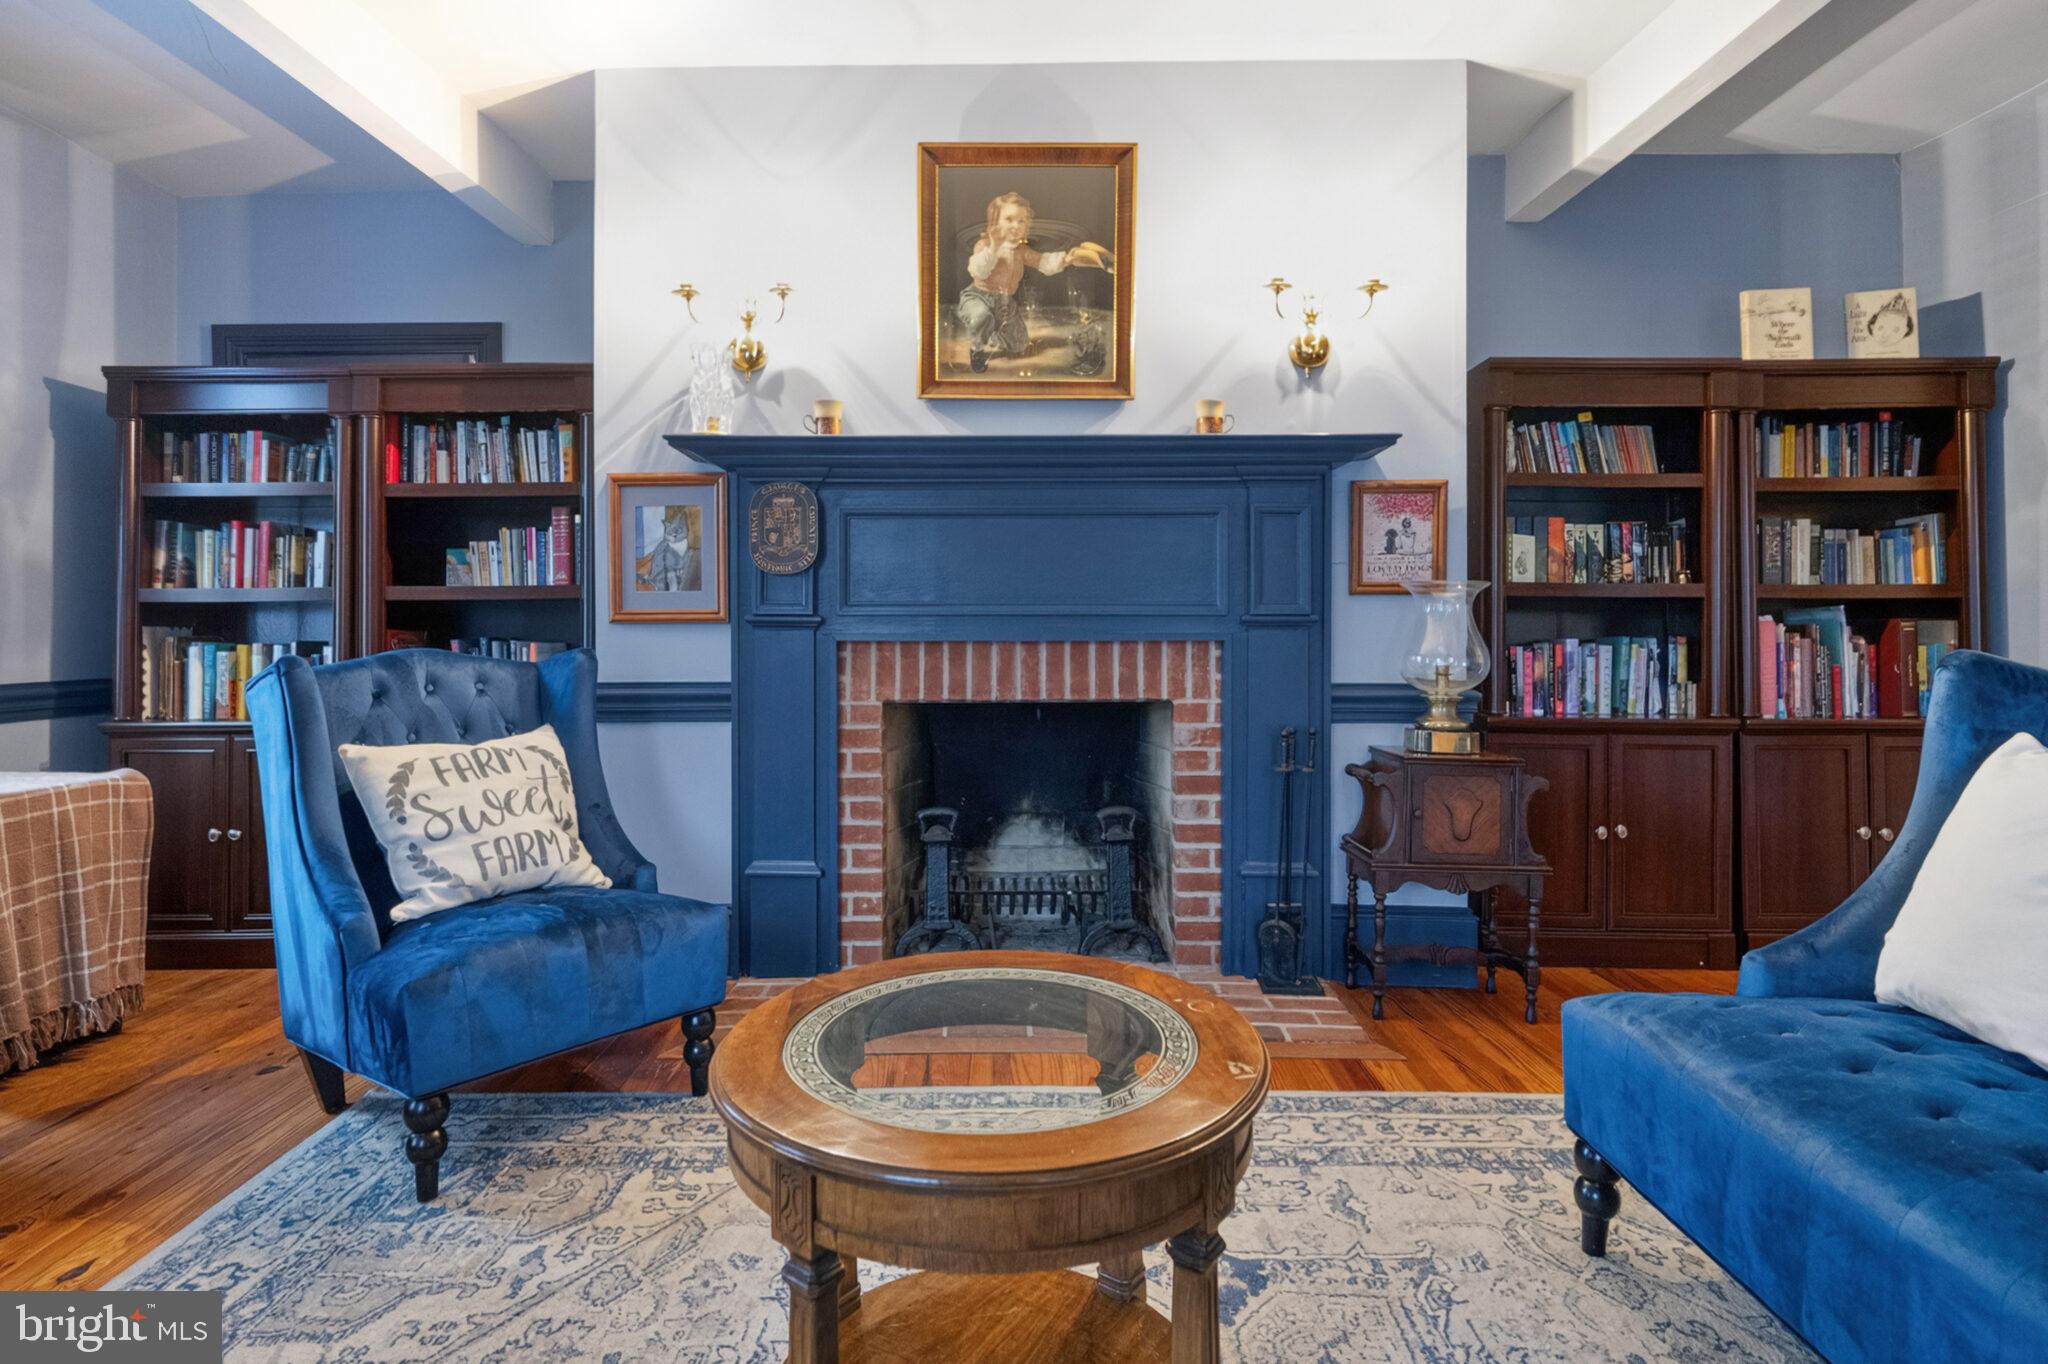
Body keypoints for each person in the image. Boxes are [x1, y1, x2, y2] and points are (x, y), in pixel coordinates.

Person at [957, 192, 1111, 372]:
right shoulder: (983, 245)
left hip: (1005, 303)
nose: (1016, 225)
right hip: (978, 297)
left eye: (1022, 221)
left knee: (1019, 345)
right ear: (995, 223)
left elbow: (1042, 261)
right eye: (1009, 219)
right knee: (981, 317)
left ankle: (994, 331)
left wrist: (1065, 260)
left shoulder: (1021, 250)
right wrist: (993, 247)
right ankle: (977, 349)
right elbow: (978, 270)